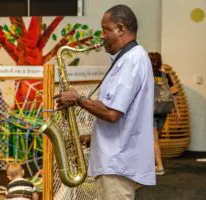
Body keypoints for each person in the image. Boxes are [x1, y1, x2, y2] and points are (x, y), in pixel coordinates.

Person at [54, 4, 155, 200]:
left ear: (121, 29)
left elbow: (112, 113)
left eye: (105, 29)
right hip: (116, 160)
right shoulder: (129, 58)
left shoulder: (132, 60)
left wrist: (77, 99)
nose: (102, 36)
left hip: (117, 164)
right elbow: (126, 113)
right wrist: (95, 138)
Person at [148, 52, 179, 175]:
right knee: (155, 139)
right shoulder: (166, 76)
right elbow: (175, 94)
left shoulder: (146, 75)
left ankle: (159, 166)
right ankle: (152, 163)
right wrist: (177, 111)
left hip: (150, 111)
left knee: (154, 140)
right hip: (163, 110)